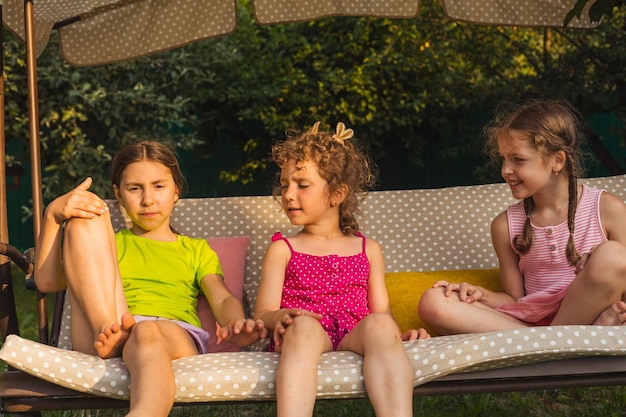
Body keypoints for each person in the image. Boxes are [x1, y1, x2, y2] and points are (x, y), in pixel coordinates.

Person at [34, 140, 267, 417]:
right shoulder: (109, 244)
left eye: (159, 186)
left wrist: (235, 323)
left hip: (172, 335)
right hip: (106, 330)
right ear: (118, 195)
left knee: (146, 331)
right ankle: (114, 336)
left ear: (176, 191)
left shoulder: (194, 249)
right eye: (135, 188)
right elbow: (47, 283)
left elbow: (222, 296)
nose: (148, 200)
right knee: (86, 217)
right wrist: (52, 216)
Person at [254, 121, 430, 417]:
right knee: (304, 327)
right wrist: (282, 317)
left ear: (337, 194)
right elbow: (262, 315)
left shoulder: (367, 249)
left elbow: (381, 313)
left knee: (381, 325)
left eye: (302, 185)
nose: (288, 194)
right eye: (285, 185)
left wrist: (397, 334)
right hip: (306, 336)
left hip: (354, 333)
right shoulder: (283, 249)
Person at [418, 99, 626, 335]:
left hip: (588, 310)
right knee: (433, 301)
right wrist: (480, 294)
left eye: (518, 159)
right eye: (503, 159)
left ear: (557, 160)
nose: (505, 170)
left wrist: (600, 265)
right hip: (532, 323)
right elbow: (514, 299)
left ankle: (547, 343)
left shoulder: (607, 208)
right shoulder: (504, 225)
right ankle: (562, 341)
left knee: (613, 254)